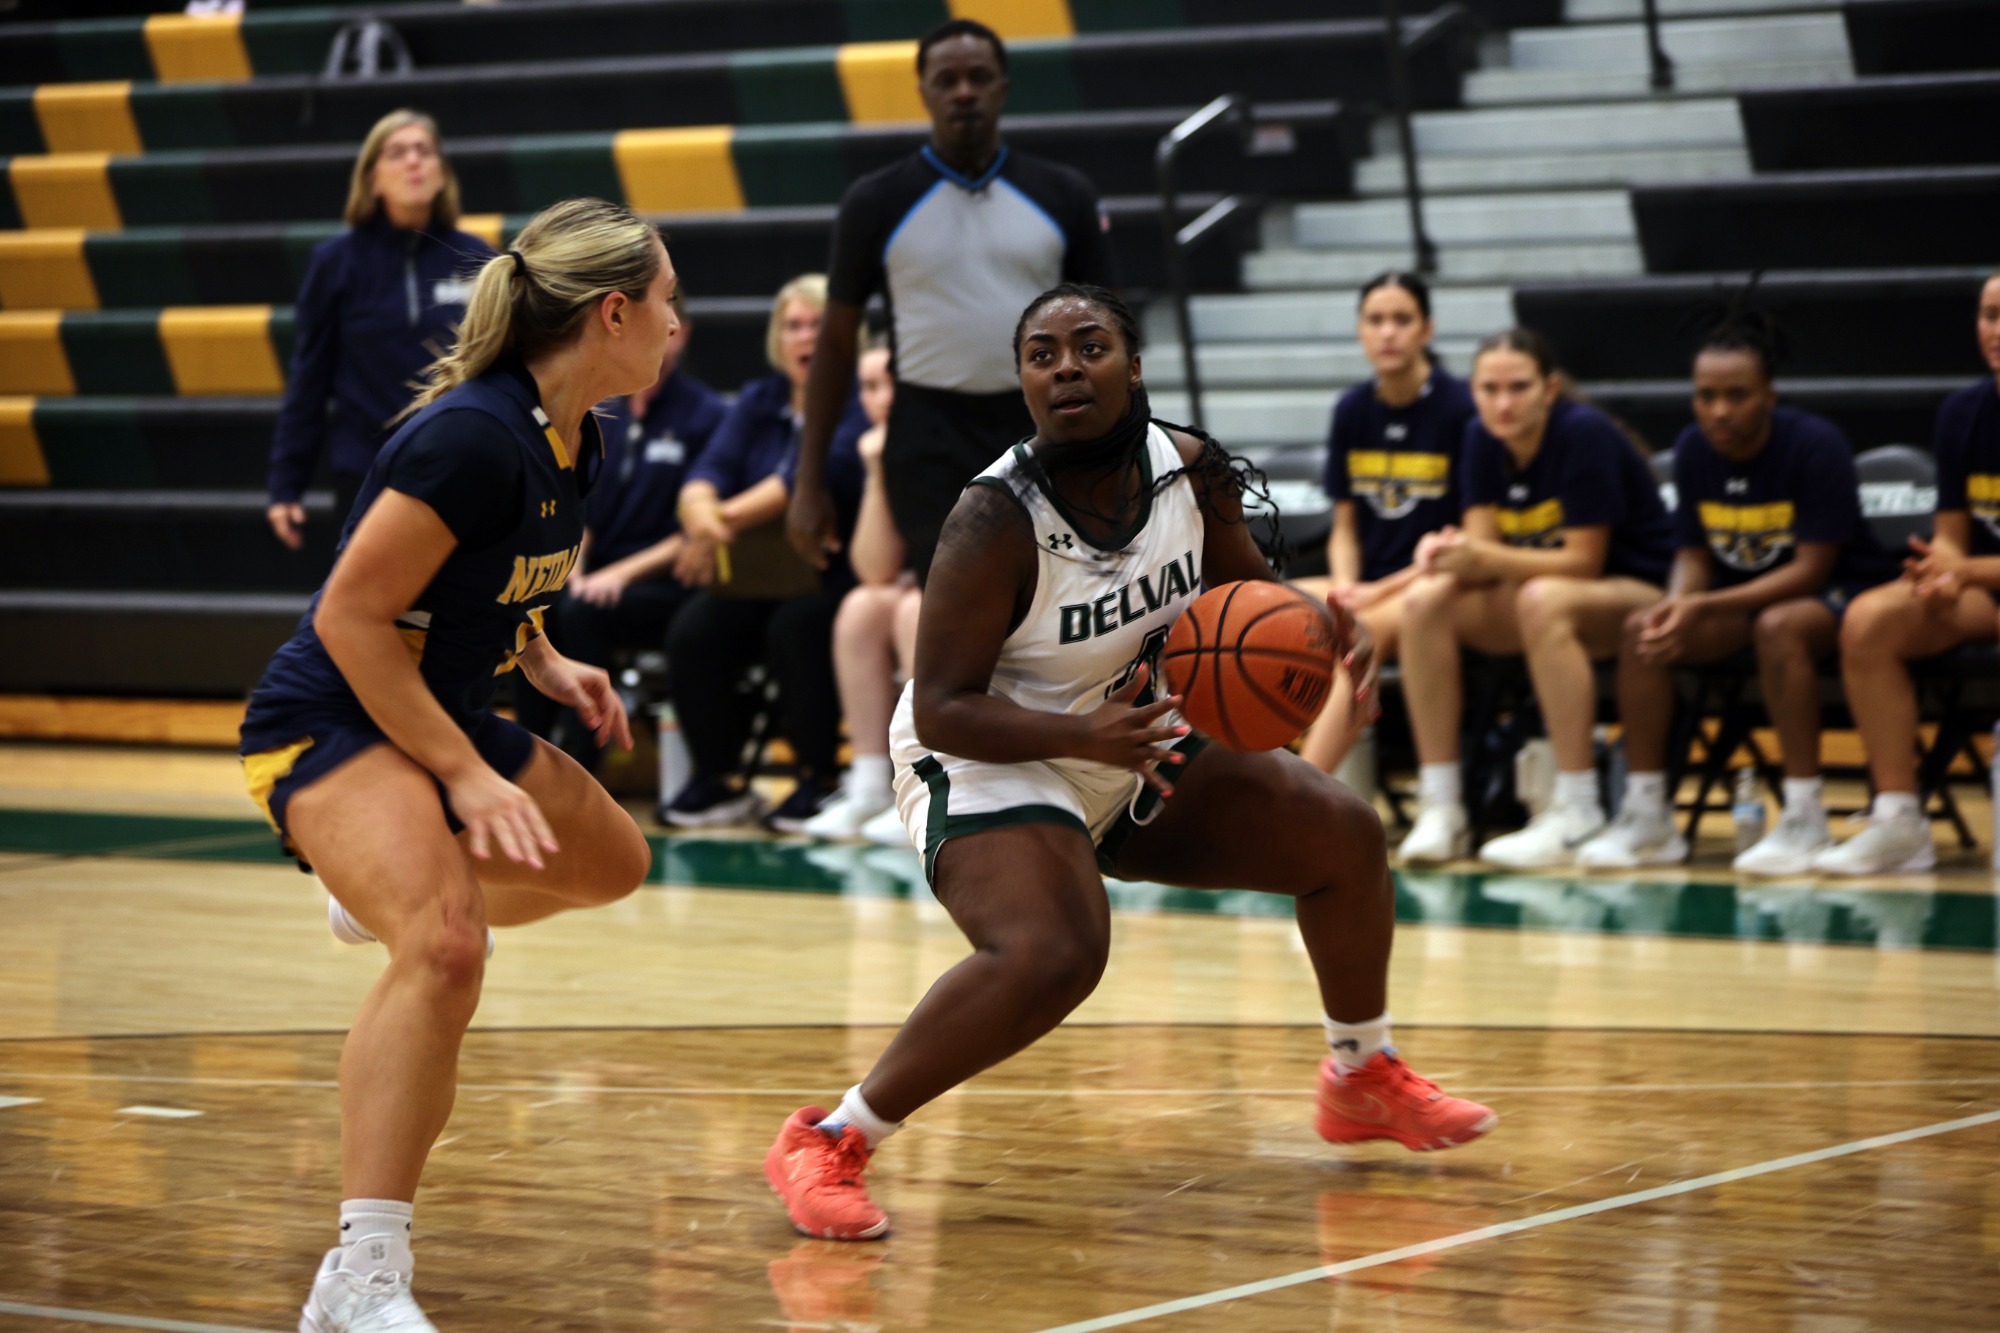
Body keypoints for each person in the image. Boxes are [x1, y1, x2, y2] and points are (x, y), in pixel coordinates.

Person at [763, 283, 1494, 1243]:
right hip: (985, 754)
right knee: (1057, 949)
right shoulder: (994, 520)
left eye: (1090, 345)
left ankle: (1359, 1071)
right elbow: (942, 702)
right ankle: (830, 1138)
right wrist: (1082, 737)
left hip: (1130, 735)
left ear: (1134, 365)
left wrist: (1321, 634)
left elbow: (1247, 599)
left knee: (1344, 835)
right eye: (1042, 353)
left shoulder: (1189, 469)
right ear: (1023, 382)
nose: (1066, 366)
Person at [237, 198, 665, 1332]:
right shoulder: (470, 436)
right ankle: (361, 1278)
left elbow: (493, 580)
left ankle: (368, 885)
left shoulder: (581, 438)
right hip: (330, 716)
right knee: (444, 945)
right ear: (613, 313)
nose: (678, 323)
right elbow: (349, 618)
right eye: (666, 301)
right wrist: (465, 777)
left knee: (614, 864)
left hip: (438, 711)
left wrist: (547, 656)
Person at [787, 17, 1110, 588]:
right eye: (947, 79)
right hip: (928, 437)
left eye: (979, 77)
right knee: (960, 609)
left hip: (1048, 424)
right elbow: (836, 344)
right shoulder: (876, 201)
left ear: (1002, 88)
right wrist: (807, 482)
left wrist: (1124, 445)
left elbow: (1109, 335)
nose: (964, 91)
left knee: (1056, 605)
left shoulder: (1064, 194)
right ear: (924, 93)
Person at [1577, 310, 1895, 874]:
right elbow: (1694, 556)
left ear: (1769, 396)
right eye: (1705, 396)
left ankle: (1804, 818)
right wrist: (1677, 604)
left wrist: (1705, 604)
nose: (1719, 410)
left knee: (1780, 625)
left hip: (1836, 597)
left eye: (1736, 395)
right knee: (1643, 629)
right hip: (1740, 602)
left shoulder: (1815, 446)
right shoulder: (1696, 449)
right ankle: (1648, 815)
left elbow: (1811, 570)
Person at [1396, 329, 1675, 868]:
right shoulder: (1479, 437)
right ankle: (1443, 805)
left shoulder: (1583, 432)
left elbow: (1583, 562)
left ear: (1549, 389)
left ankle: (1577, 808)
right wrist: (1450, 557)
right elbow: (1483, 556)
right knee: (1424, 603)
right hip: (1541, 596)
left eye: (1518, 387)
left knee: (1543, 599)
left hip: (1636, 594)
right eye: (1489, 388)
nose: (1503, 403)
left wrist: (1481, 557)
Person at [660, 274, 868, 832]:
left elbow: (803, 479)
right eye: (794, 326)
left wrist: (712, 523)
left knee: (797, 628)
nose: (805, 338)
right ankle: (718, 778)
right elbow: (707, 470)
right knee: (696, 629)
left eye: (818, 326)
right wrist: (699, 507)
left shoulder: (859, 399)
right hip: (755, 574)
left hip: (833, 574)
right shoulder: (759, 399)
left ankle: (819, 776)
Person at [1815, 272, 2000, 875]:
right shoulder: (1962, 413)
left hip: (1985, 576)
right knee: (1870, 618)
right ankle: (1899, 821)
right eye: (1990, 315)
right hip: (1987, 590)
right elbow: (1952, 532)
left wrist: (1964, 567)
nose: (1997, 331)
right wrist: (1943, 573)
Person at [267, 109, 493, 554]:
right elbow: (310, 377)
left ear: (443, 173)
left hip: (459, 462)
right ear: (372, 179)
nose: (414, 162)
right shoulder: (335, 263)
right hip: (369, 468)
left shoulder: (478, 259)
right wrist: (285, 483)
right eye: (397, 153)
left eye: (424, 151)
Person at [512, 306, 727, 769]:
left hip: (664, 579)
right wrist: (576, 566)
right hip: (598, 571)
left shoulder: (705, 413)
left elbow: (691, 531)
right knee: (534, 606)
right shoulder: (607, 410)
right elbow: (577, 505)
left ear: (682, 333)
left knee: (583, 612)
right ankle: (525, 754)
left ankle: (583, 762)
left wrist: (617, 575)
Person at [1294, 272, 1475, 778]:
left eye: (1402, 319)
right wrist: (1350, 585)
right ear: (1360, 331)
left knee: (1358, 635)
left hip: (1433, 584)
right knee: (1256, 612)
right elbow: (1345, 527)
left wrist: (1371, 594)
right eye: (1376, 320)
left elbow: (1466, 539)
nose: (1388, 332)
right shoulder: (1352, 409)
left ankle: (1304, 795)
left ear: (1427, 330)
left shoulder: (1461, 409)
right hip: (1368, 583)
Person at [802, 344, 924, 840]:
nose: (883, 398)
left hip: (983, 590)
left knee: (914, 609)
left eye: (892, 383)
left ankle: (930, 786)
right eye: (870, 387)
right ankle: (871, 783)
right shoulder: (874, 446)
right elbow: (873, 569)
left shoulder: (953, 442)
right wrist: (878, 472)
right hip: (918, 587)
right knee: (861, 607)